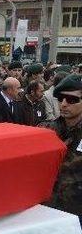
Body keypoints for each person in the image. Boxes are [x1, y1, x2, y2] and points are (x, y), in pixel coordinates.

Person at [42, 74, 82, 218]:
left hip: (77, 212)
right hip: (47, 209)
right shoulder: (45, 131)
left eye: (72, 99)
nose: (64, 104)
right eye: (60, 99)